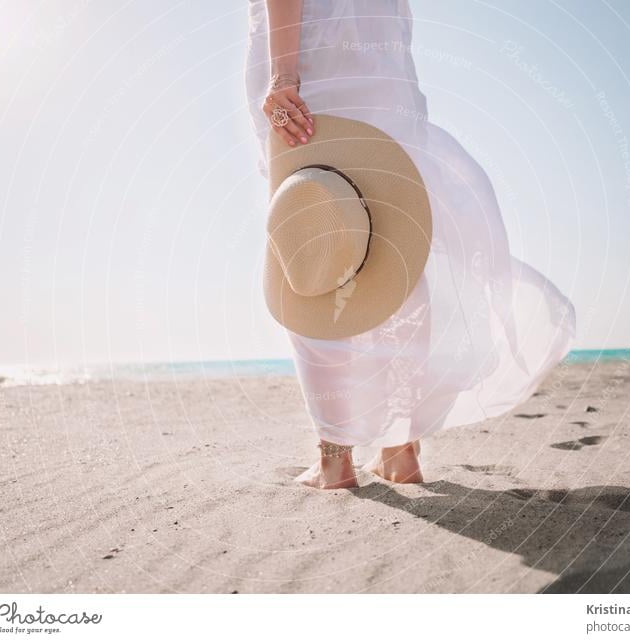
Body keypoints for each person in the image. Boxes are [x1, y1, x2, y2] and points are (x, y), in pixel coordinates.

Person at [246, 0, 576, 489]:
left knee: (313, 230)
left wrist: (282, 76)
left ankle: (335, 460)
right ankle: (400, 451)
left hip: (309, 51)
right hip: (382, 59)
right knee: (395, 240)